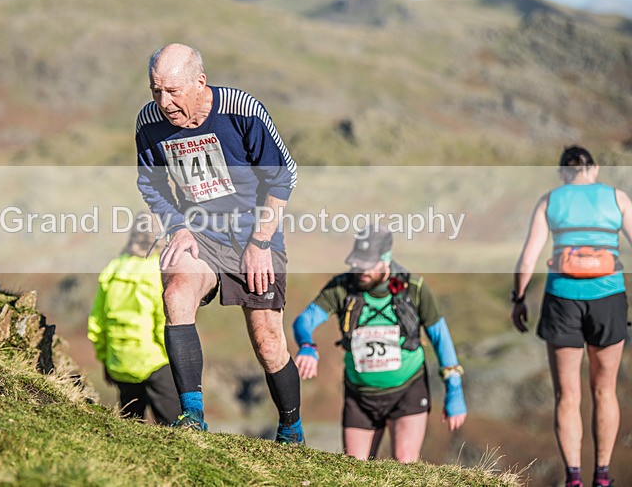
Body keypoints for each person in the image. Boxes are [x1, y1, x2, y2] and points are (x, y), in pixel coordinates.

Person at [135, 43, 304, 443]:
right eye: (156, 91)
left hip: (254, 233)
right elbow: (152, 184)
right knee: (176, 293)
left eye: (173, 91)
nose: (164, 102)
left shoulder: (241, 110)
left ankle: (291, 428)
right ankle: (192, 416)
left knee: (267, 342)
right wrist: (178, 227)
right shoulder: (149, 122)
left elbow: (282, 177)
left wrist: (260, 243)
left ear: (200, 82)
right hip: (200, 234)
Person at [293, 227, 467, 462]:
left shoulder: (414, 288)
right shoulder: (342, 287)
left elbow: (440, 336)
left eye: (368, 265)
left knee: (405, 462)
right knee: (354, 468)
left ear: (386, 259)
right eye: (358, 264)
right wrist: (307, 345)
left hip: (408, 389)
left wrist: (454, 391)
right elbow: (305, 320)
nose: (361, 271)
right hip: (360, 395)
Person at [512, 145, 630, 487]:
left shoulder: (550, 201)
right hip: (608, 298)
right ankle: (603, 476)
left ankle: (573, 478)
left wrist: (518, 298)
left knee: (567, 395)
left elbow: (528, 258)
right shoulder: (617, 198)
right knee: (605, 390)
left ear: (563, 173)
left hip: (563, 299)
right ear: (594, 169)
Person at [87, 211, 180, 425]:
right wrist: (175, 357)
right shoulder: (158, 269)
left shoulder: (114, 268)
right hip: (155, 361)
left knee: (130, 425)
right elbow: (163, 320)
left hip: (119, 361)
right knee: (176, 427)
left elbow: (97, 322)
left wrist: (106, 359)